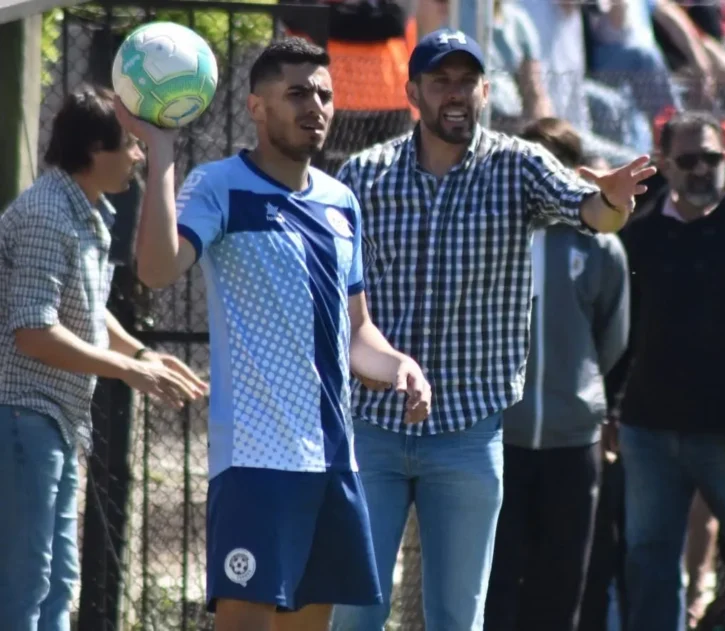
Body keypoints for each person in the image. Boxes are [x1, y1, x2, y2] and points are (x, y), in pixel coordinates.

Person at [330, 28, 654, 631]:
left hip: (467, 435)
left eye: (466, 82)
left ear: (485, 91)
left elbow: (587, 211)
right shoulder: (363, 177)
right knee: (355, 614)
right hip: (371, 428)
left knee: (458, 617)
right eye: (439, 81)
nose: (455, 94)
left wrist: (611, 202)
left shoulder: (517, 165)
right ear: (413, 93)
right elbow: (333, 301)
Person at [116, 37, 432, 631]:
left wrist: (400, 367)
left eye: (323, 94)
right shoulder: (219, 186)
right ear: (256, 107)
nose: (314, 105)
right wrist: (161, 154)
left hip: (334, 464)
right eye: (296, 93)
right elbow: (156, 270)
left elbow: (357, 331)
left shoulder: (342, 202)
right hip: (257, 463)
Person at [0, 84, 206, 631]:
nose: (141, 156)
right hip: (23, 417)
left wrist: (143, 354)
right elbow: (33, 331)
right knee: (23, 585)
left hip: (57, 422)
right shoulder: (46, 214)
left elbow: (86, 312)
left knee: (57, 582)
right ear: (95, 150)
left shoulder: (85, 209)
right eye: (132, 145)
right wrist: (128, 370)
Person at [614, 110, 725, 631]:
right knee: (649, 561)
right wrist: (610, 410)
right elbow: (621, 334)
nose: (702, 169)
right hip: (649, 432)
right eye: (688, 160)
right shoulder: (638, 237)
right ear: (663, 163)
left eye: (712, 157)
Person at [483, 117, 630, 631]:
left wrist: (579, 388)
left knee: (561, 580)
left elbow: (611, 336)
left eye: (555, 165)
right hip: (500, 437)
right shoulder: (493, 236)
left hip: (574, 442)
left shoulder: (600, 245)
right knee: (494, 579)